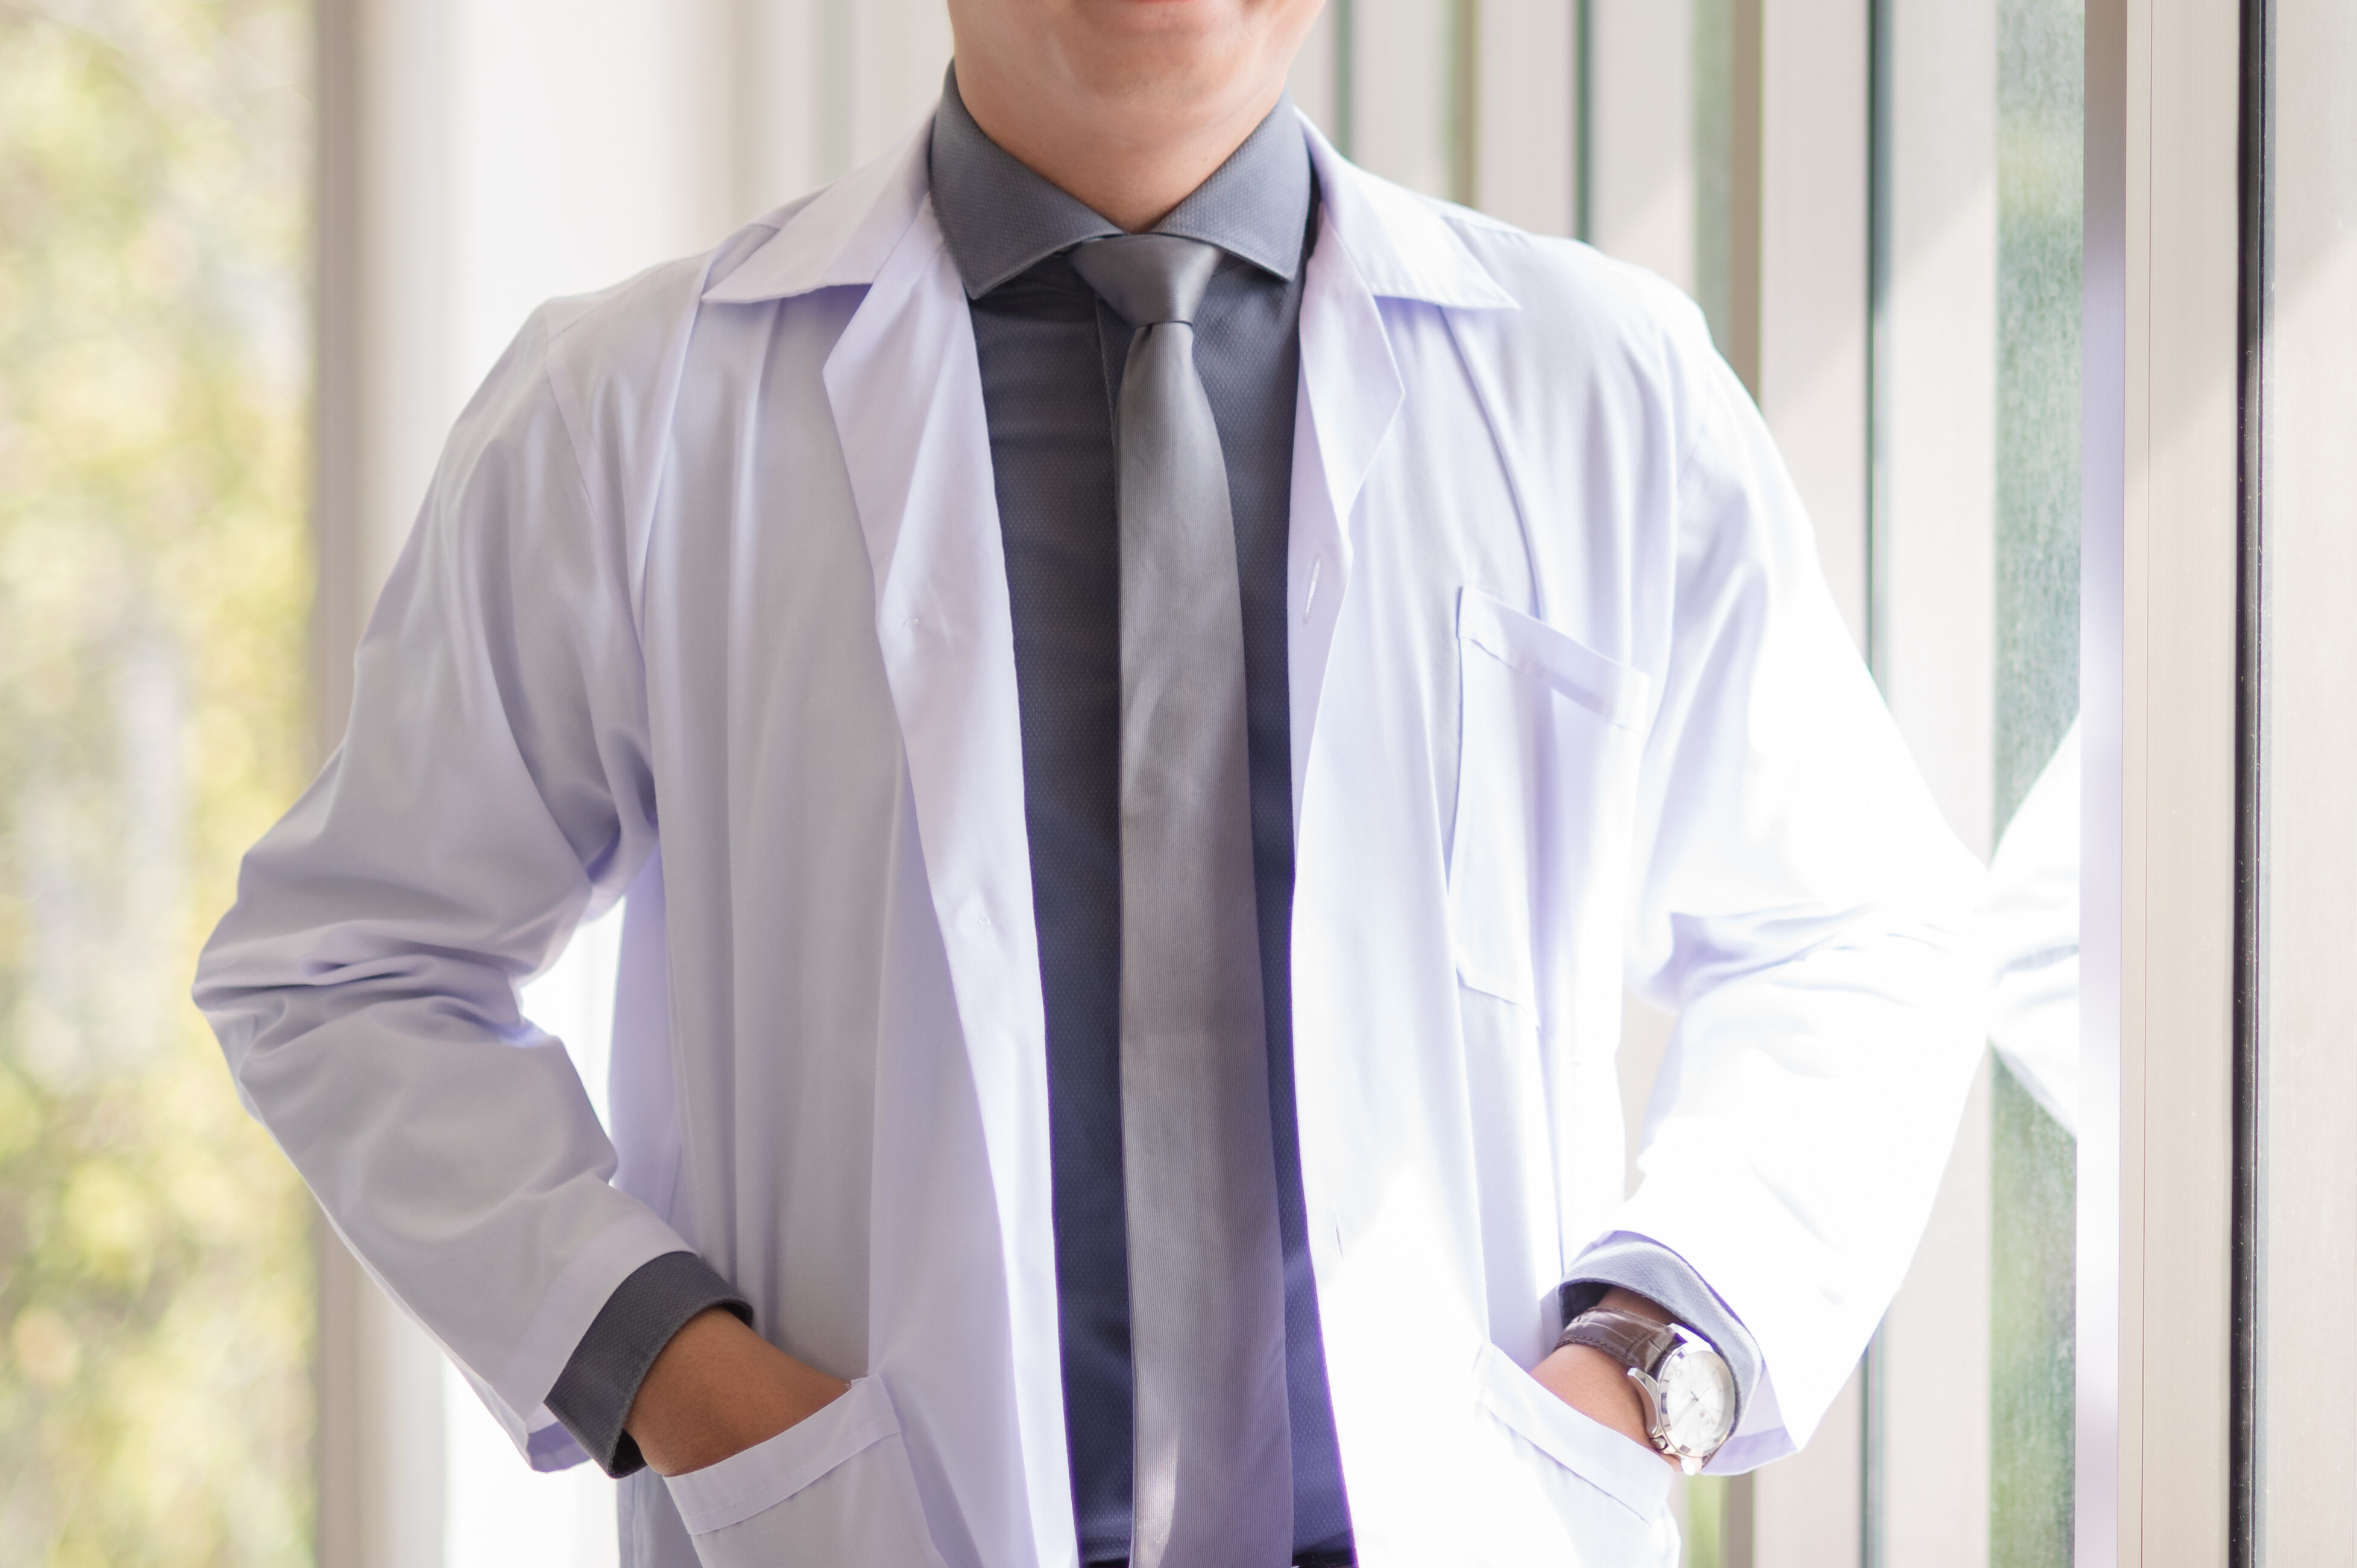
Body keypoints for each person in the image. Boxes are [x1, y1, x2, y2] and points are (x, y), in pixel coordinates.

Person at [195, 1, 1987, 1564]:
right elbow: (352, 966)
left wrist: (1647, 1368)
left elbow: (1856, 941)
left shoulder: (1606, 387)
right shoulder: (630, 409)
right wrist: (676, 1371)